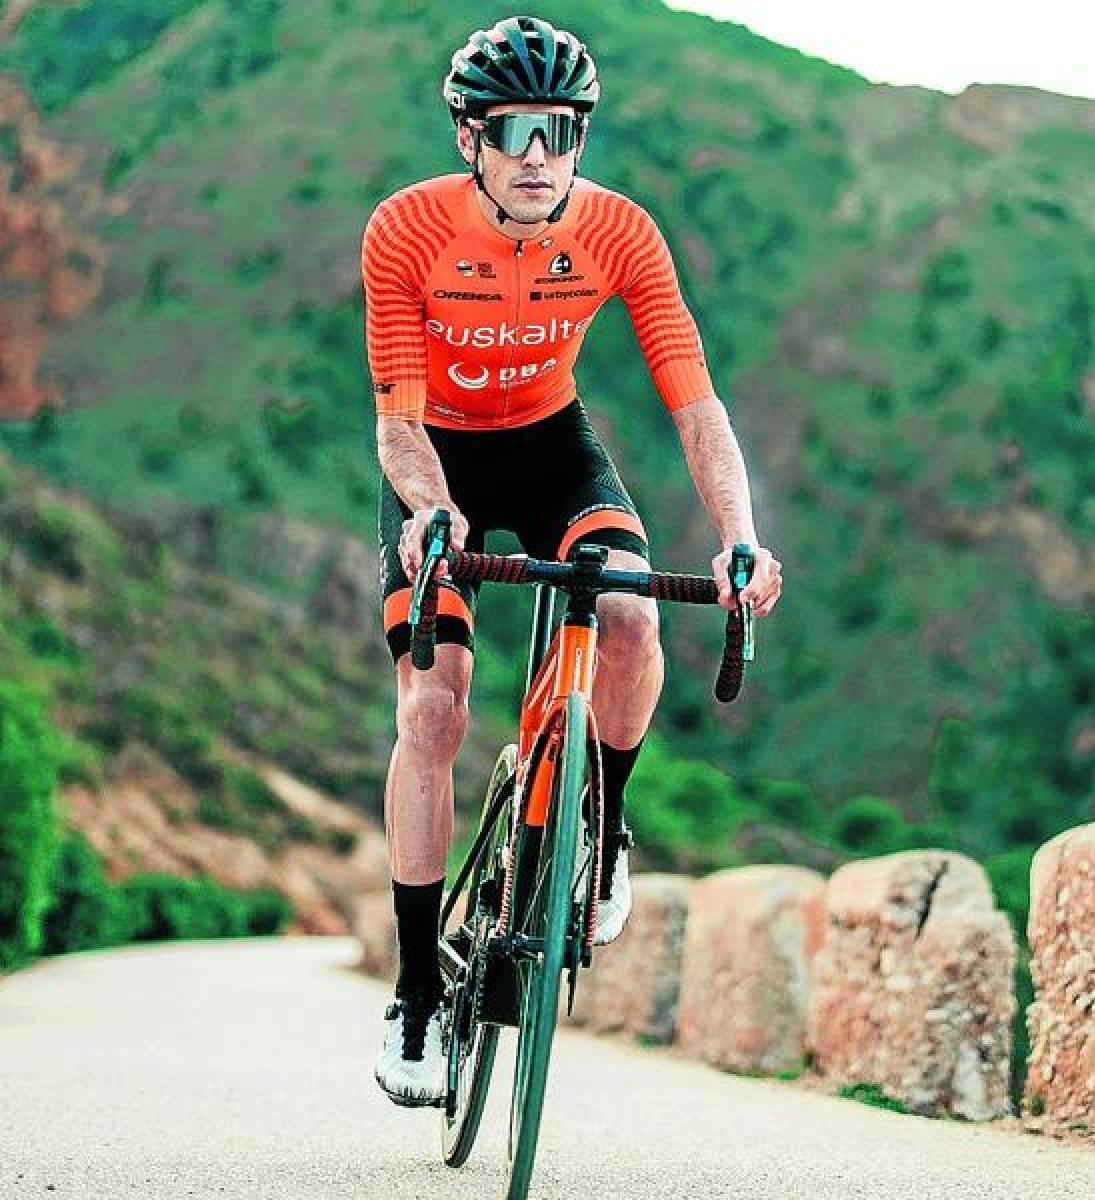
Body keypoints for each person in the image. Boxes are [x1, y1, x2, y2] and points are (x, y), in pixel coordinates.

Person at [362, 15, 783, 1107]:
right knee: (435, 716)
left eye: (561, 131)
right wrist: (430, 511)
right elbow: (398, 418)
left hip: (553, 449)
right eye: (515, 133)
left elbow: (695, 403)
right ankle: (415, 993)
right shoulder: (406, 230)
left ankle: (601, 818)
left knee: (635, 614)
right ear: (471, 140)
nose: (540, 154)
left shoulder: (621, 233)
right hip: (438, 463)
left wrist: (738, 534)